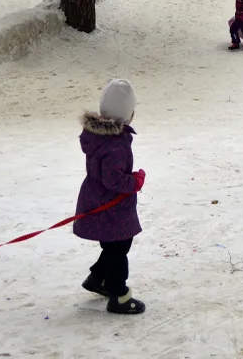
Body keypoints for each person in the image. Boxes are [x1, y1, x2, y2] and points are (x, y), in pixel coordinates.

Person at [74, 78, 147, 314]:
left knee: (114, 246)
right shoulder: (116, 144)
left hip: (99, 200)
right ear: (128, 115)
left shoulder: (98, 136)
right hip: (111, 206)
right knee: (118, 249)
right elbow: (113, 179)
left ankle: (98, 279)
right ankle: (119, 296)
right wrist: (134, 182)